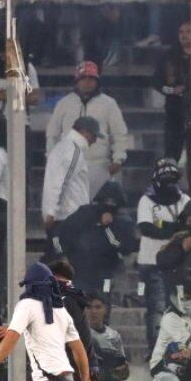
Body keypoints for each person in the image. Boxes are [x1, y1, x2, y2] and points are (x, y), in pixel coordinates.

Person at [45, 62, 130, 198]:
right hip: (68, 166)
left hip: (99, 166)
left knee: (98, 211)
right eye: (83, 78)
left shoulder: (109, 103)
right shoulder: (64, 103)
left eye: (91, 79)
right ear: (77, 81)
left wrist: (118, 159)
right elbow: (52, 134)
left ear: (97, 81)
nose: (87, 82)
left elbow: (119, 133)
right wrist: (52, 159)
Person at [137, 159, 190, 351]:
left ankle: (178, 349)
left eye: (172, 180)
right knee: (158, 309)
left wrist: (166, 226)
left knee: (179, 307)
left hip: (178, 262)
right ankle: (156, 351)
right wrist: (175, 228)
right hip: (152, 262)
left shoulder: (183, 200)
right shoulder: (147, 200)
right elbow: (147, 227)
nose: (169, 184)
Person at [57, 181, 138, 299]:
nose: (109, 204)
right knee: (78, 304)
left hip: (106, 273)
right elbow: (62, 233)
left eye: (113, 202)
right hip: (80, 270)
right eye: (106, 201)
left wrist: (107, 227)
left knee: (103, 302)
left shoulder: (124, 222)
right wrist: (62, 255)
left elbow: (126, 248)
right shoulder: (85, 213)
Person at [42, 116, 99, 254]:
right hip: (70, 217)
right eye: (94, 136)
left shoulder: (61, 147)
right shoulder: (74, 151)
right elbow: (62, 182)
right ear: (86, 132)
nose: (95, 141)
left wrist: (49, 212)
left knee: (55, 261)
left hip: (60, 217)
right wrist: (51, 212)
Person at [152, 22, 191, 165]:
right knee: (170, 155)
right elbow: (157, 81)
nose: (184, 35)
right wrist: (171, 91)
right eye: (181, 32)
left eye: (188, 31)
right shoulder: (169, 55)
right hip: (174, 110)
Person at [156, 201, 191, 295]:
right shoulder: (183, 237)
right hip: (184, 292)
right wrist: (182, 248)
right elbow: (162, 260)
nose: (188, 222)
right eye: (188, 219)